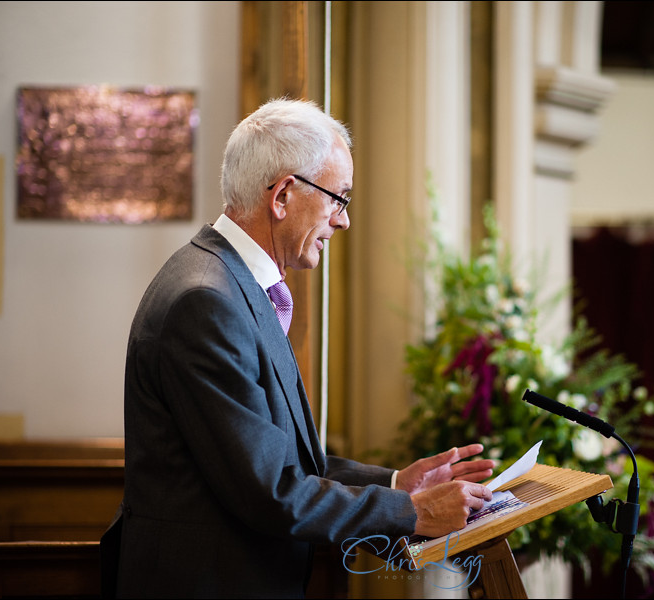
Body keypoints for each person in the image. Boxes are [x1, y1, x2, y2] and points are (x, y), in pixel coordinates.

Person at [103, 98, 495, 598]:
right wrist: (414, 513)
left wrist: (398, 482)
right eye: (339, 198)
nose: (343, 221)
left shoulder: (229, 283)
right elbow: (269, 492)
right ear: (284, 195)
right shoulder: (206, 301)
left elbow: (280, 462)